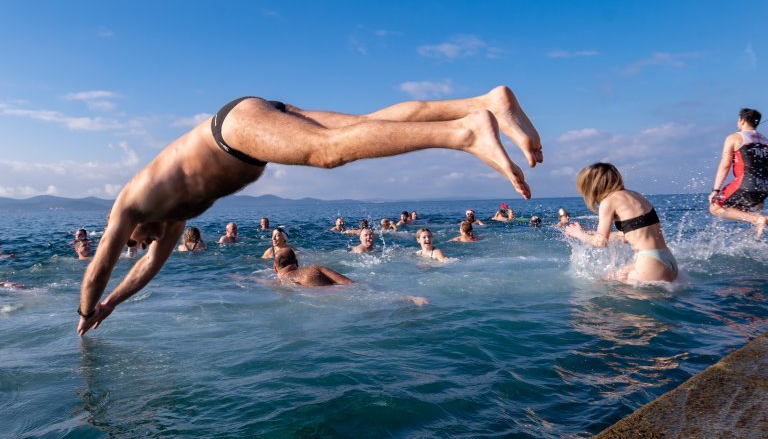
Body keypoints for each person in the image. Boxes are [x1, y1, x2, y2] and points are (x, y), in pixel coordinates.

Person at [77, 86, 542, 334]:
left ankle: (463, 132)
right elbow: (145, 271)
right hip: (249, 127)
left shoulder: (130, 204)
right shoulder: (173, 220)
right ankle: (485, 103)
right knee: (368, 124)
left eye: (137, 242)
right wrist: (109, 306)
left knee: (328, 152)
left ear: (128, 229)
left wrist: (83, 309)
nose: (145, 245)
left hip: (234, 130)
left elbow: (99, 267)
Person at [565, 162, 678, 283]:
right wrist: (590, 233)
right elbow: (626, 236)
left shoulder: (608, 202)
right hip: (668, 259)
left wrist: (578, 234)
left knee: (600, 296)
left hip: (649, 263)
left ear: (592, 187)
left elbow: (601, 242)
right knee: (604, 280)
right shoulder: (635, 195)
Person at [709, 108, 768, 237]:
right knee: (740, 210)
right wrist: (762, 196)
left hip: (745, 184)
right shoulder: (765, 140)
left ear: (741, 120)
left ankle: (757, 219)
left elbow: (725, 165)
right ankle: (759, 221)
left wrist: (716, 190)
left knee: (715, 207)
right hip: (764, 186)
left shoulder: (734, 137)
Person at [274, 247, 353, 286]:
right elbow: (349, 283)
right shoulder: (314, 269)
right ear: (297, 263)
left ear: (275, 268)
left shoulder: (279, 284)